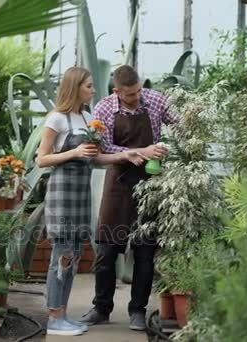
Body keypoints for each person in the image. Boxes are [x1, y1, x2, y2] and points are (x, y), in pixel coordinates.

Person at [37, 66, 145, 336]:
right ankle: (54, 317)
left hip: (81, 193)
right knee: (61, 255)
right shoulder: (57, 119)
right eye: (88, 86)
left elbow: (96, 158)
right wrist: (73, 151)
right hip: (62, 193)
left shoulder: (86, 117)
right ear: (75, 87)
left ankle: (62, 314)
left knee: (73, 254)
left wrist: (126, 155)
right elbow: (41, 159)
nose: (93, 90)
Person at [79, 65, 178, 331]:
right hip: (119, 183)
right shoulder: (104, 108)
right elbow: (103, 148)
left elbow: (182, 124)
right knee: (107, 251)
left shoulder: (155, 99)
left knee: (145, 252)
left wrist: (167, 148)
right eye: (130, 94)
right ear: (117, 91)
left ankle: (137, 310)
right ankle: (101, 308)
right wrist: (137, 151)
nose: (136, 97)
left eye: (138, 92)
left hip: (150, 183)